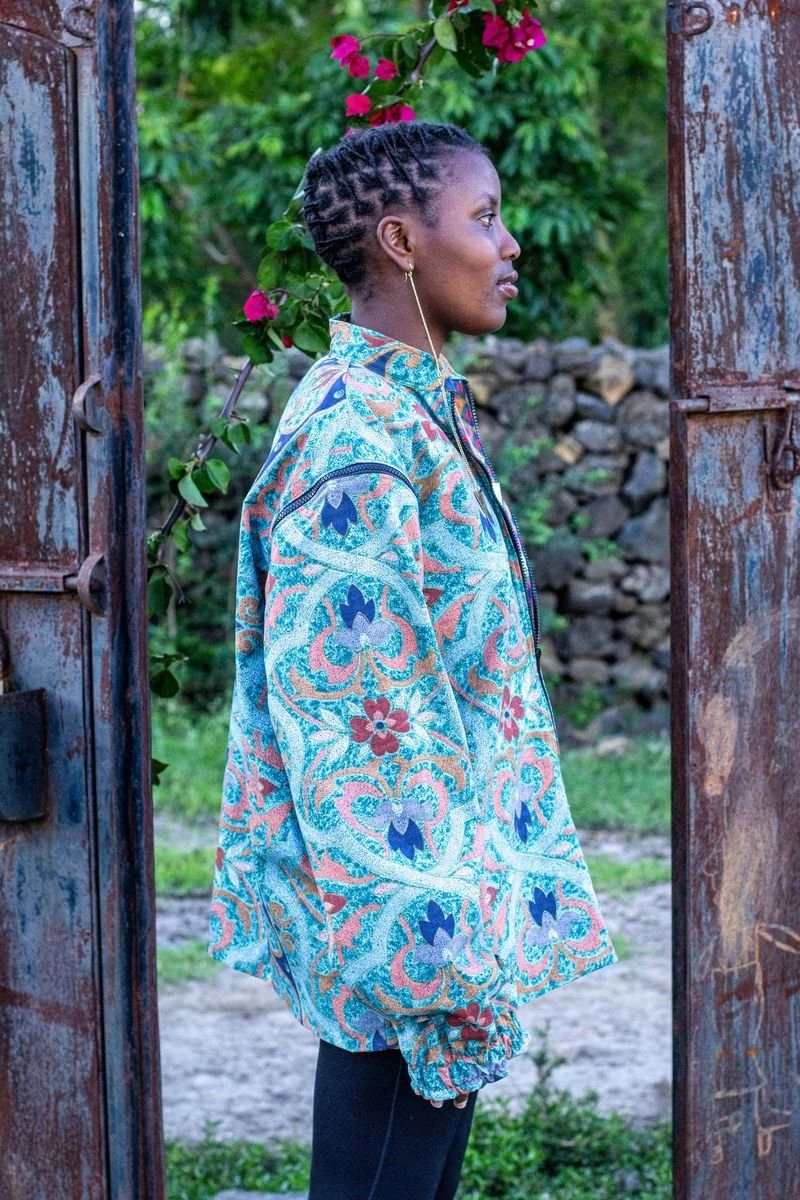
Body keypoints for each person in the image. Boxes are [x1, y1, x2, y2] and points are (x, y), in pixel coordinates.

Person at [208, 120, 617, 1200]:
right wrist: (435, 952)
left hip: (441, 917)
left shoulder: (410, 414)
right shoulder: (355, 442)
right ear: (400, 240)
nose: (509, 243)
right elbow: (354, 724)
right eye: (484, 217)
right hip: (411, 932)